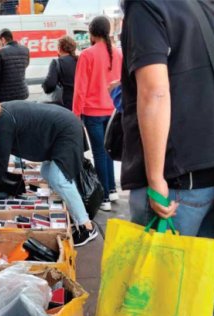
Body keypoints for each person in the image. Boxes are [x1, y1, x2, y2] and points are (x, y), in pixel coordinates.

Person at [120, 0, 214, 316]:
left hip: (178, 176)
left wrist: (155, 178)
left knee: (163, 292)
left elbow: (154, 91)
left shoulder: (148, 7)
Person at [0, 98, 99, 247]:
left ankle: (86, 227)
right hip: (64, 125)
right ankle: (74, 213)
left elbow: (1, 166)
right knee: (47, 171)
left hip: (65, 131)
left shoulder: (3, 124)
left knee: (59, 178)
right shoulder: (1, 111)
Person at [72, 16, 122, 212]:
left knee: (99, 153)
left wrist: (75, 113)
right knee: (108, 151)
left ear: (91, 33)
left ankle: (104, 197)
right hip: (113, 109)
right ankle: (111, 189)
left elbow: (80, 88)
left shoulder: (87, 54)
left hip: (92, 111)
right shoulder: (118, 54)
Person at [0, 29, 30, 102]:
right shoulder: (25, 50)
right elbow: (25, 65)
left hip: (5, 97)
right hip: (22, 94)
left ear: (2, 39)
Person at [42, 36, 78, 110]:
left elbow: (49, 85)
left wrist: (44, 85)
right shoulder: (80, 60)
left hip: (66, 105)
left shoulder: (57, 62)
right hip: (81, 103)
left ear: (59, 48)